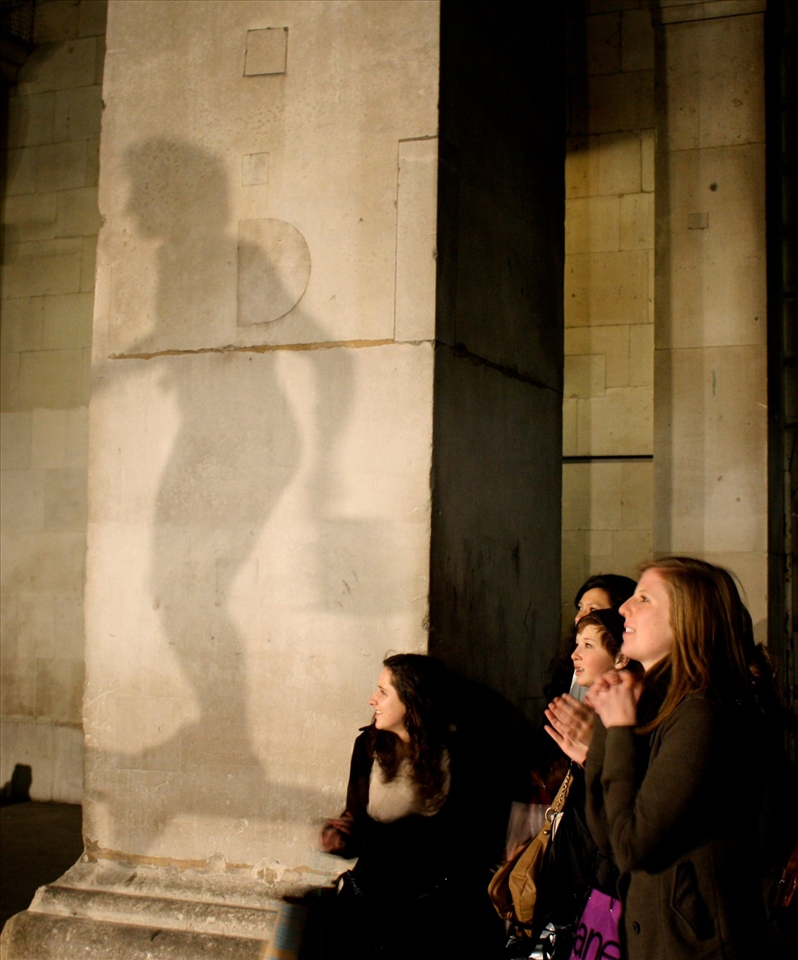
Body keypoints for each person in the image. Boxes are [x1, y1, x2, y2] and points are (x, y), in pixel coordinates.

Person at [583, 557, 781, 960]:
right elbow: (606, 834)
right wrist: (610, 719)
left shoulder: (701, 715)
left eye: (644, 599)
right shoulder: (660, 706)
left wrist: (618, 728)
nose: (624, 608)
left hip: (696, 946)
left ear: (686, 620)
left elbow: (633, 847)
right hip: (657, 938)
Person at [320, 653, 504, 959]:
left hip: (433, 911)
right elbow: (357, 820)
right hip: (374, 904)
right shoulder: (368, 748)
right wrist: (339, 836)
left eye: (383, 692)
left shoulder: (459, 754)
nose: (372, 700)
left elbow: (473, 837)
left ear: (412, 700)